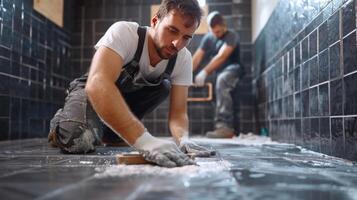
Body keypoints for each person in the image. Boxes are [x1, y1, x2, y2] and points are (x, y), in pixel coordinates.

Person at [47, 0, 214, 168]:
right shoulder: (125, 33)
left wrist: (183, 139)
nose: (177, 44)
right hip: (90, 92)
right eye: (172, 30)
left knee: (163, 86)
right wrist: (145, 141)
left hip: (120, 106)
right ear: (155, 21)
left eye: (186, 37)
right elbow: (98, 83)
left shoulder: (183, 59)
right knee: (79, 140)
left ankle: (109, 134)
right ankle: (61, 122)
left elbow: (178, 114)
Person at [192, 11, 245, 138]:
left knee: (222, 80)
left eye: (219, 32)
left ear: (224, 25)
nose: (216, 34)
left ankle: (225, 127)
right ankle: (225, 127)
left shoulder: (231, 35)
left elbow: (222, 56)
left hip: (234, 69)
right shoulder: (208, 37)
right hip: (219, 72)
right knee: (220, 81)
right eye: (214, 32)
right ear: (210, 29)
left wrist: (204, 72)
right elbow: (197, 57)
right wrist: (187, 74)